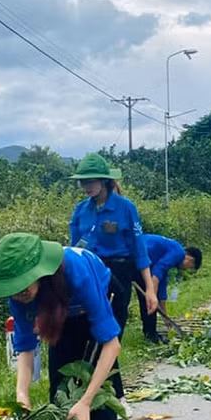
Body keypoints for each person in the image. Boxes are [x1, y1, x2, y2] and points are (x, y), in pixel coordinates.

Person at [0, 233, 121, 420]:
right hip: (59, 312)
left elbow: (111, 345)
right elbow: (25, 347)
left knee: (98, 395)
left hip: (102, 298)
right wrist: (21, 395)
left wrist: (86, 401)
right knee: (61, 391)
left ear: (40, 273)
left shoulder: (76, 273)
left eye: (23, 285)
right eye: (12, 289)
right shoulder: (20, 296)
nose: (18, 293)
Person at [68, 153, 157, 400]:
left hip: (117, 275)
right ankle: (94, 392)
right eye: (82, 182)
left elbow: (139, 250)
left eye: (90, 182)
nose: (86, 187)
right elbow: (73, 249)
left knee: (110, 334)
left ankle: (115, 395)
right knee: (87, 334)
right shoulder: (80, 211)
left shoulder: (125, 208)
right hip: (88, 275)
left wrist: (149, 289)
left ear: (105, 181)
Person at [136, 234, 203, 342]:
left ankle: (150, 332)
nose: (186, 270)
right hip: (135, 253)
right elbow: (157, 271)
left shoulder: (172, 254)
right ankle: (150, 334)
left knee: (149, 297)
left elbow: (162, 286)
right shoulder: (178, 252)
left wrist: (165, 316)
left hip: (141, 258)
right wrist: (152, 295)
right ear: (190, 259)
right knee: (148, 298)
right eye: (190, 267)